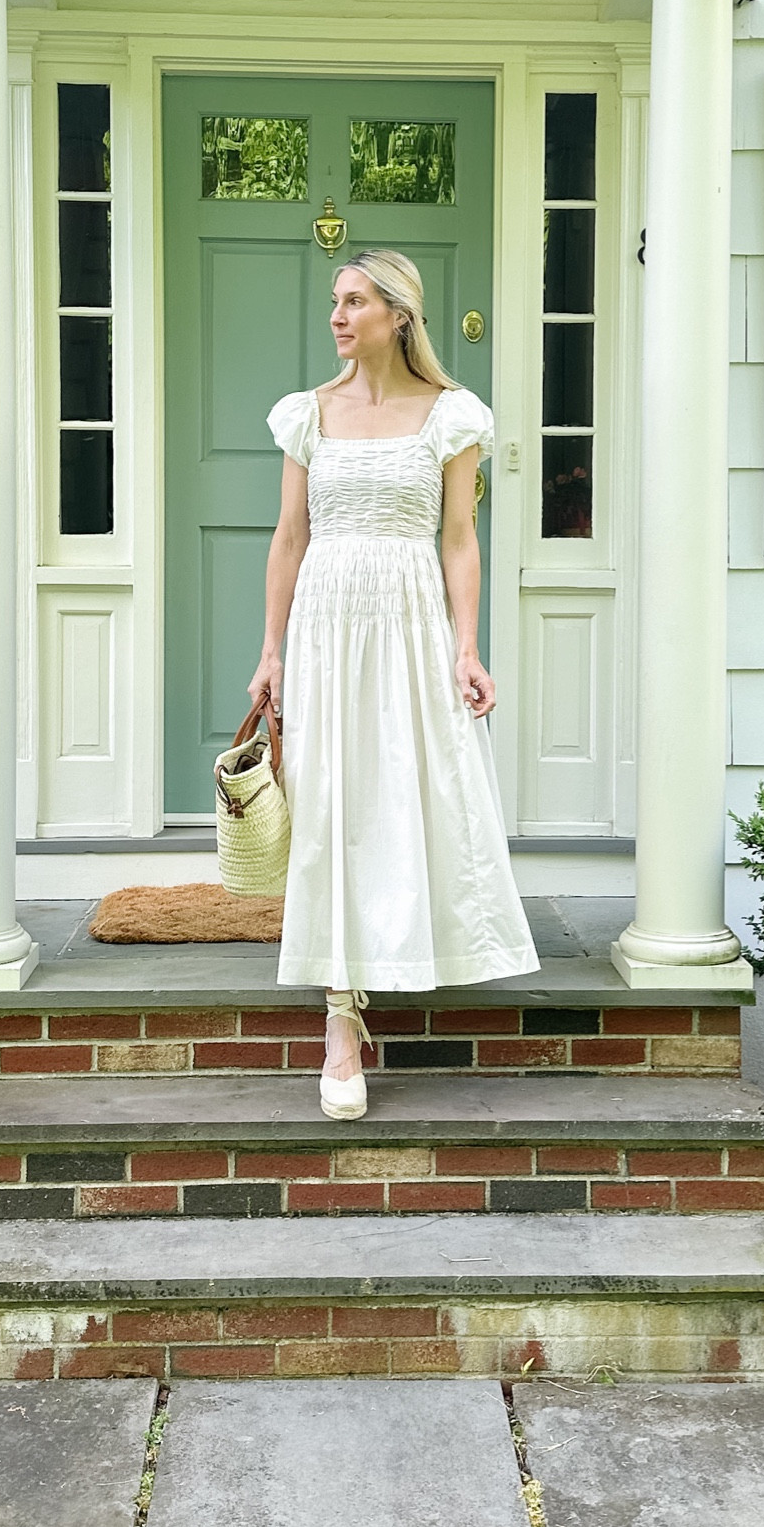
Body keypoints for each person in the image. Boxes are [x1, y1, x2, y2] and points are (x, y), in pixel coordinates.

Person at [248, 249, 539, 1119]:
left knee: (411, 791)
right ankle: (341, 1020)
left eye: (354, 301)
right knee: (333, 802)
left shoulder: (453, 417)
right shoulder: (310, 414)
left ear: (398, 314)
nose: (337, 315)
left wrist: (468, 647)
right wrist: (271, 651)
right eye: (334, 302)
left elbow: (459, 538)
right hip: (329, 624)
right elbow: (289, 536)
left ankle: (411, 954)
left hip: (412, 621)